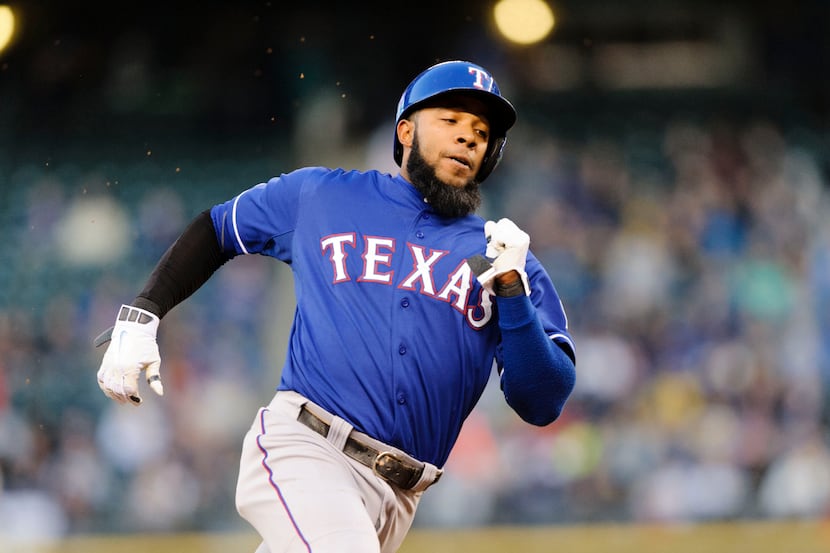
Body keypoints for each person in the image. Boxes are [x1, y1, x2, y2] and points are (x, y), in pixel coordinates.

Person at [95, 60, 577, 553]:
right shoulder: (323, 195)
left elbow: (542, 401)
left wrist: (514, 295)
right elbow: (218, 228)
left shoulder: (503, 256)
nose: (468, 137)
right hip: (307, 446)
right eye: (450, 120)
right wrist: (145, 311)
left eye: (481, 130)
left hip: (399, 497)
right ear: (406, 131)